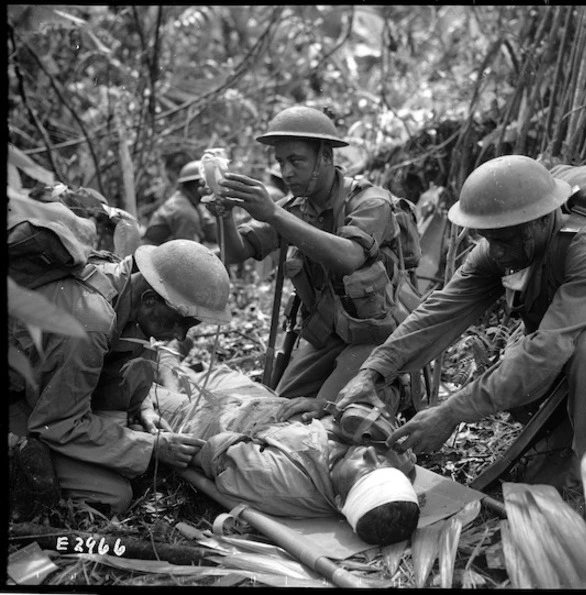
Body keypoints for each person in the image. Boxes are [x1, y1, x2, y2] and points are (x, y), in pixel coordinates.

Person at [328, 155, 586, 491]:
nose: (496, 250)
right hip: (574, 359)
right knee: (519, 368)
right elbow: (440, 312)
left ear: (538, 221)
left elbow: (546, 354)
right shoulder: (502, 242)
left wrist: (451, 412)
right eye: (488, 238)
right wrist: (374, 372)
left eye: (503, 239)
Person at [8, 239, 232, 516]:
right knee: (112, 495)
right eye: (180, 322)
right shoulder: (90, 322)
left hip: (45, 397)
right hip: (26, 405)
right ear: (150, 300)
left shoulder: (126, 290)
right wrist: (152, 447)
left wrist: (144, 409)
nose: (180, 336)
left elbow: (117, 366)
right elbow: (57, 422)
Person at [206, 105, 404, 419]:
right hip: (328, 334)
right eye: (281, 162)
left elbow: (351, 257)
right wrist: (226, 216)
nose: (286, 173)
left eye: (296, 161)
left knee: (326, 418)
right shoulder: (295, 208)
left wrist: (273, 213)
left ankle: (392, 396)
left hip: (377, 334)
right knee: (276, 413)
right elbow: (236, 252)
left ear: (326, 156)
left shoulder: (370, 202)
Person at [151, 374, 420, 546]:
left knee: (139, 380)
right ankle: (172, 364)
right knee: (187, 370)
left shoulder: (278, 481)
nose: (371, 454)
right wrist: (328, 407)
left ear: (340, 502)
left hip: (201, 414)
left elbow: (213, 453)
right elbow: (404, 463)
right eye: (382, 464)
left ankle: (166, 366)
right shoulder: (390, 463)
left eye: (365, 472)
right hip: (254, 396)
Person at [142, 160, 219, 246]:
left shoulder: (187, 202)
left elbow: (213, 234)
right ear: (198, 184)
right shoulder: (185, 212)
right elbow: (189, 253)